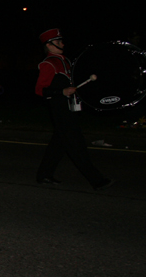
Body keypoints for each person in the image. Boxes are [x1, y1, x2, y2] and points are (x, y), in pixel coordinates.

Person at [34, 28, 112, 190]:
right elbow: (39, 90)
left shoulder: (66, 61)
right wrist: (61, 92)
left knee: (59, 144)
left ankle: (44, 175)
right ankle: (96, 180)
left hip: (69, 107)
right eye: (58, 41)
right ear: (49, 45)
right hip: (59, 108)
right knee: (76, 144)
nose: (62, 43)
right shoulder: (48, 64)